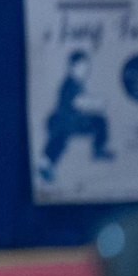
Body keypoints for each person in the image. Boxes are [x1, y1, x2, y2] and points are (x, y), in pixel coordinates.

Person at [40, 50, 114, 182]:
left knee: (99, 122)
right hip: (67, 120)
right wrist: (96, 104)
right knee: (60, 140)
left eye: (86, 67)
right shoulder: (69, 84)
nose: (85, 70)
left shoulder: (77, 83)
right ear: (72, 67)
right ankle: (46, 164)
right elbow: (78, 102)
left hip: (75, 120)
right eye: (81, 67)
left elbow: (80, 103)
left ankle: (99, 149)